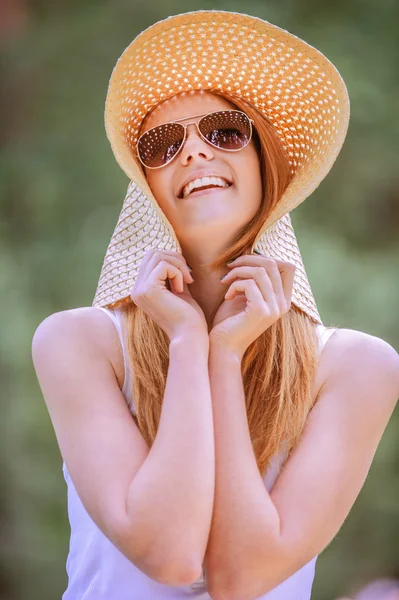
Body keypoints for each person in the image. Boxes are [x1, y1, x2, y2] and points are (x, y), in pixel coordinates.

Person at [31, 10, 399, 600]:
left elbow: (242, 578)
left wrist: (226, 358)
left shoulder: (356, 367)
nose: (195, 152)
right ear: (144, 188)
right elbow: (171, 555)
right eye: (163, 143)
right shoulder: (79, 343)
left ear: (264, 165)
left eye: (225, 131)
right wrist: (186, 343)